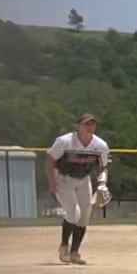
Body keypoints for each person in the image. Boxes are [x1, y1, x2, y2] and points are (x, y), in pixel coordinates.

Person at [46, 113, 110, 265]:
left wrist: (102, 183)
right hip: (64, 179)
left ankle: (75, 252)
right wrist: (52, 183)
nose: (90, 127)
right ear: (77, 126)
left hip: (83, 180)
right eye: (86, 124)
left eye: (92, 124)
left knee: (84, 217)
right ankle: (64, 246)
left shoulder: (100, 145)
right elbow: (49, 162)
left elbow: (103, 167)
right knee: (74, 213)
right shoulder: (64, 141)